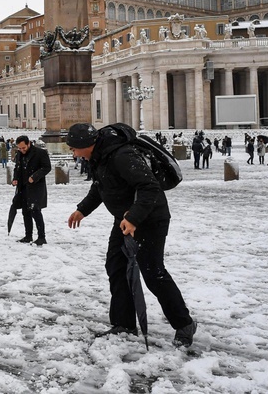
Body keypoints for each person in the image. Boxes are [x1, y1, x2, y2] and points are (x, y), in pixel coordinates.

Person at [65, 123, 196, 348]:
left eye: (74, 149)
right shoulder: (99, 156)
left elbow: (149, 187)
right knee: (116, 266)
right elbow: (100, 187)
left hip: (150, 218)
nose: (73, 153)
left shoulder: (121, 155)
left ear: (86, 145)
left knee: (152, 272)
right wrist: (82, 210)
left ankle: (184, 324)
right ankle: (123, 323)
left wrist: (134, 218)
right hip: (124, 219)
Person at [11, 135, 51, 245]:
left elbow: (47, 167)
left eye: (23, 148)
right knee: (25, 212)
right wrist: (15, 178)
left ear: (29, 144)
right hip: (23, 187)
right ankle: (28, 235)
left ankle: (41, 237)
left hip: (36, 187)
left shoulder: (40, 153)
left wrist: (35, 176)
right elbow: (17, 168)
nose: (22, 150)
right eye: (19, 148)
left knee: (35, 211)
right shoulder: (19, 154)